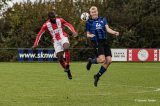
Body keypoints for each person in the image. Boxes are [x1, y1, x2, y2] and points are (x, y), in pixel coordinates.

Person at [32, 11, 78, 79]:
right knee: (59, 58)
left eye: (54, 17)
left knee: (66, 47)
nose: (54, 18)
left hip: (63, 37)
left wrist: (74, 32)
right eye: (52, 18)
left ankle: (67, 65)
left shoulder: (60, 20)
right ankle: (68, 71)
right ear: (49, 18)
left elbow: (69, 25)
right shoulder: (46, 25)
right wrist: (35, 44)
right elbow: (39, 34)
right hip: (56, 41)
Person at [86, 6, 119, 86]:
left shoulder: (103, 19)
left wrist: (114, 32)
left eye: (95, 12)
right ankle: (91, 61)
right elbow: (87, 34)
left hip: (105, 41)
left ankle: (97, 76)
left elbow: (107, 29)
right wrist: (91, 36)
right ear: (90, 13)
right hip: (97, 42)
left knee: (109, 61)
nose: (94, 13)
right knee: (102, 60)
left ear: (97, 12)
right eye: (92, 12)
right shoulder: (88, 22)